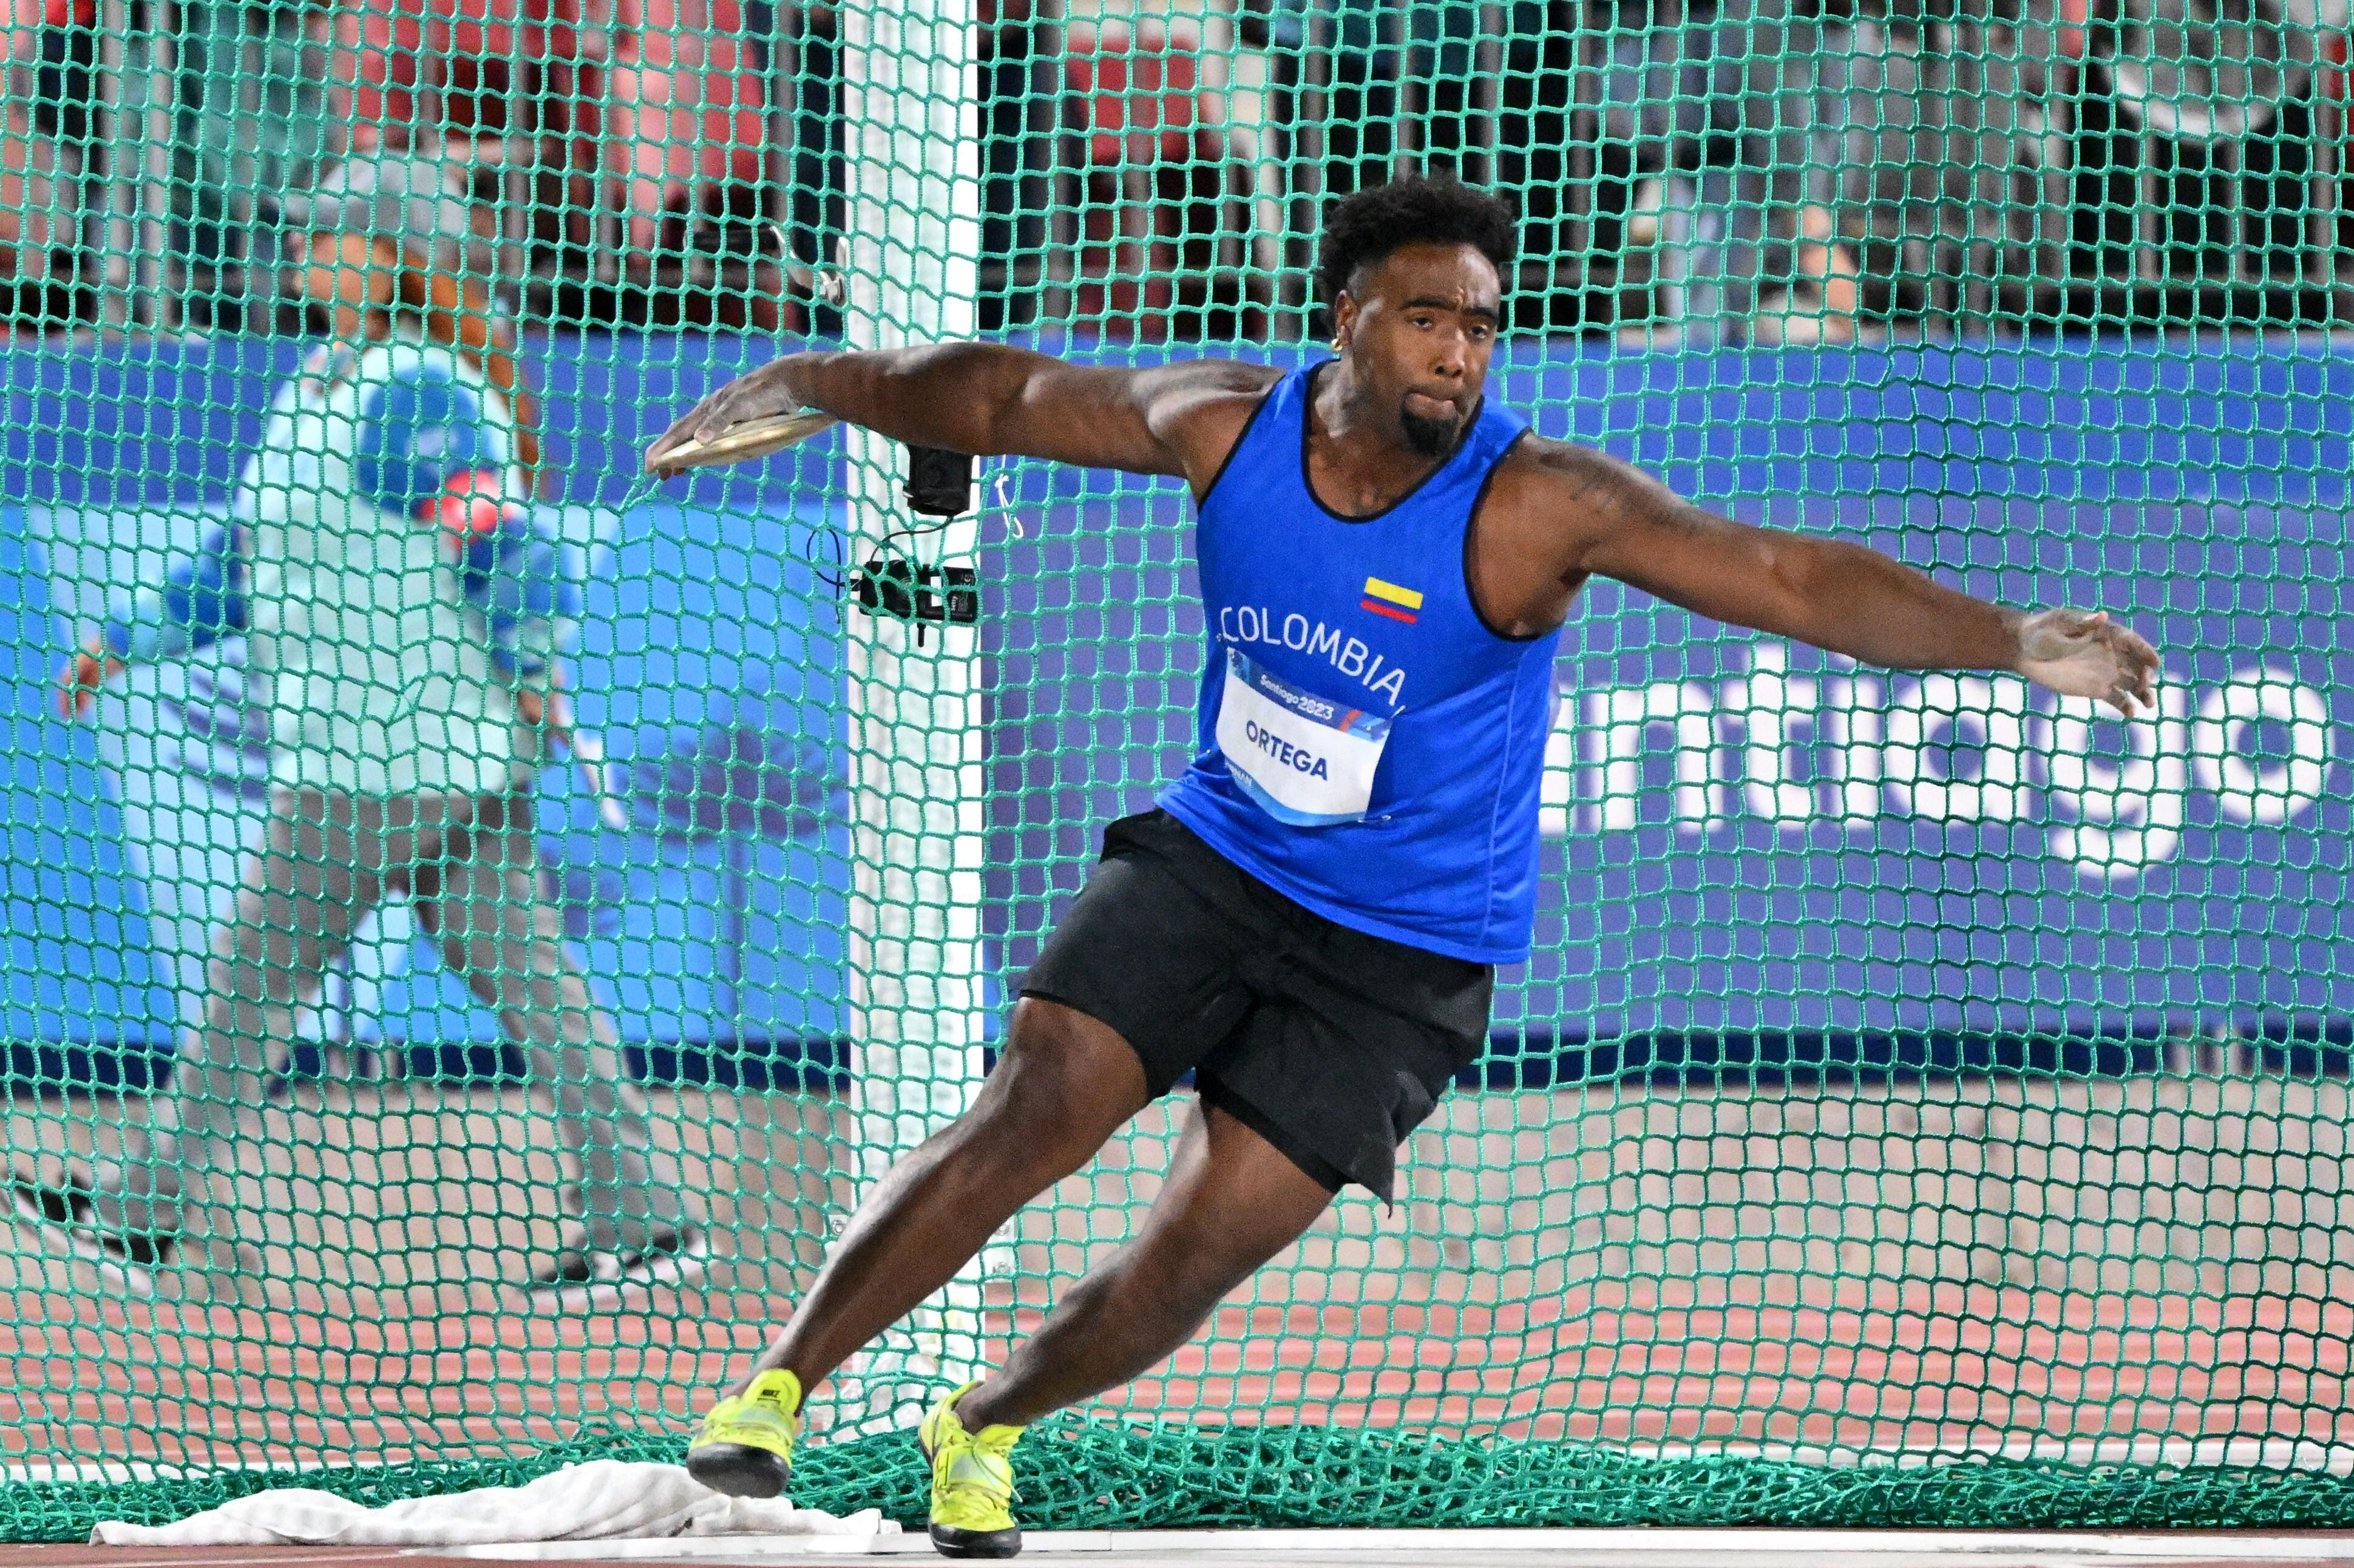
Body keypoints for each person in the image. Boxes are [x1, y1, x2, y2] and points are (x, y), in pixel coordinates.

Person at [644, 173, 2159, 1559]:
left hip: (1402, 952)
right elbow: (1001, 388)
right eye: (1427, 318)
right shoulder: (1222, 422)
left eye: (1482, 328)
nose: (1458, 354)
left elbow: (1783, 575)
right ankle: (778, 1390)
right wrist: (817, 382)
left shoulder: (1532, 502)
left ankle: (980, 1423)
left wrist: (2009, 642)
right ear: (1346, 318)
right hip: (1218, 856)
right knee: (1037, 1098)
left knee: (1185, 1261)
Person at [12, 152, 702, 1306]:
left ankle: (142, 1212)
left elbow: (508, 545)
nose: (303, 249)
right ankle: (646, 1221)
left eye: (328, 234)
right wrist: (124, 640)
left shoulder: (417, 393)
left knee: (247, 993)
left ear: (391, 255)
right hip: (408, 756)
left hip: (390, 759)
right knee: (538, 992)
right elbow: (240, 567)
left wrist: (532, 665)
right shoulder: (322, 382)